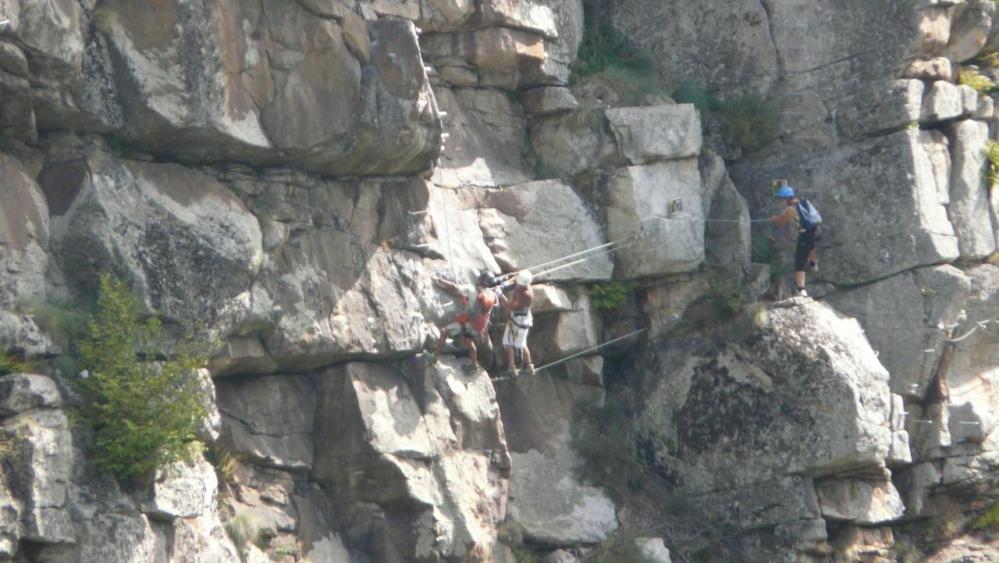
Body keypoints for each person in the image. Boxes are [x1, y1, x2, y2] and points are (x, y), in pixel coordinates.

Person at [431, 271, 498, 373]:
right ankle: (474, 365)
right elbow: (491, 307)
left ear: (481, 280)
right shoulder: (492, 294)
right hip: (478, 326)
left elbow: (454, 287)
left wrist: (438, 281)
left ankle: (433, 358)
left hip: (468, 323)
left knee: (444, 332)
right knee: (468, 341)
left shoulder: (471, 290)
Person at [769, 185, 821, 297]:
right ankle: (813, 263)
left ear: (786, 198)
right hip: (815, 230)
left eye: (781, 199)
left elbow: (781, 222)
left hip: (805, 234)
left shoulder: (790, 209)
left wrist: (774, 219)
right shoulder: (801, 201)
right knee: (811, 247)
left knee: (799, 261)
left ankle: (801, 290)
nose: (780, 201)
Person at [499, 270, 534, 377]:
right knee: (516, 342)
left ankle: (514, 368)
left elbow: (511, 306)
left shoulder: (526, 295)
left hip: (519, 322)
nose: (517, 284)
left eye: (519, 283)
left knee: (513, 343)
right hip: (521, 319)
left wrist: (501, 296)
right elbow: (516, 279)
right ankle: (525, 366)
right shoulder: (523, 284)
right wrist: (505, 285)